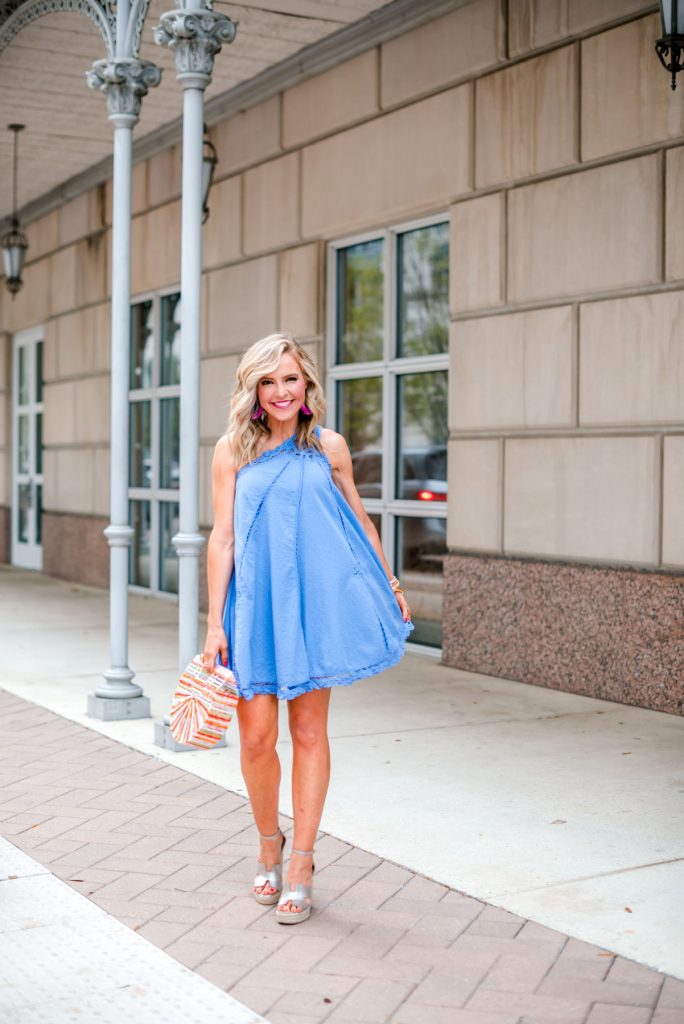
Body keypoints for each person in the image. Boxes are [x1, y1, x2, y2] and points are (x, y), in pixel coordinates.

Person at [202, 332, 413, 924]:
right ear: (253, 390)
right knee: (255, 738)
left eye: (289, 378)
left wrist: (389, 585)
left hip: (311, 608)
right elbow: (221, 538)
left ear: (307, 382)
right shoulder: (231, 451)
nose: (280, 391)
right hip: (254, 609)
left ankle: (301, 862)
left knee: (310, 734)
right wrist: (214, 622)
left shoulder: (329, 446)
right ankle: (268, 841)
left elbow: (358, 521)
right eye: (267, 382)